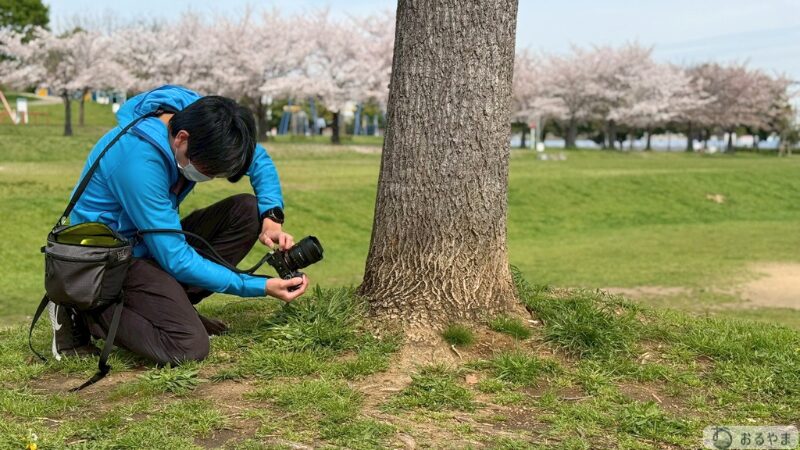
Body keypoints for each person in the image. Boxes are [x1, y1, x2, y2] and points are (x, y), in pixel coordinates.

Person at [48, 85, 309, 365]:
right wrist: (258, 286)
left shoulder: (198, 114)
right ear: (181, 139)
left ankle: (170, 307)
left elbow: (256, 157)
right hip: (110, 258)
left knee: (247, 211)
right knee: (187, 346)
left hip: (149, 239)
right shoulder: (138, 161)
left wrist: (271, 218)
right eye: (207, 171)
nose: (207, 177)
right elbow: (176, 259)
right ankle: (83, 308)